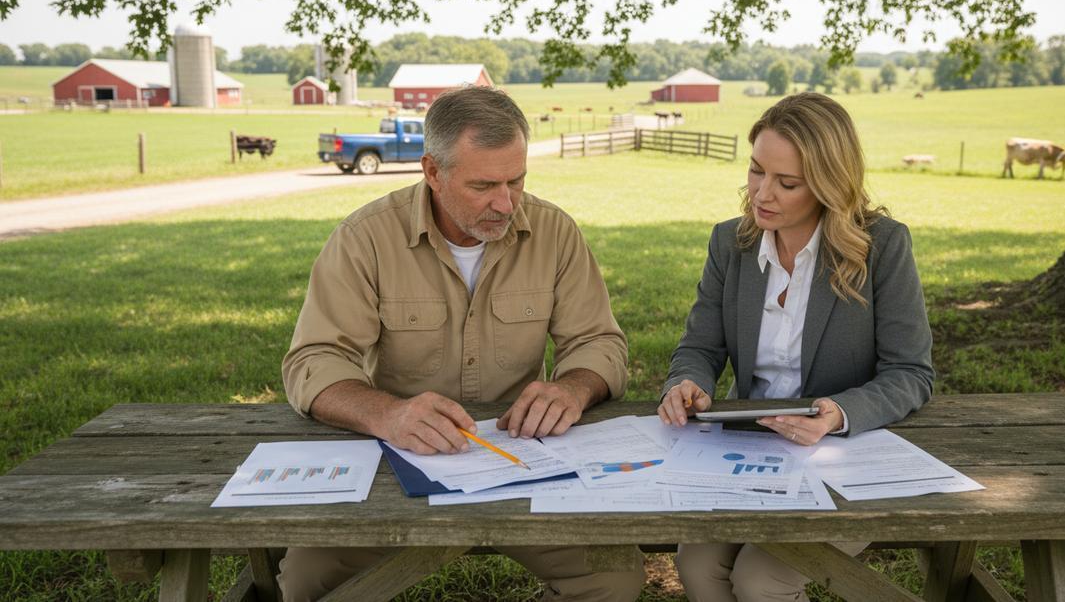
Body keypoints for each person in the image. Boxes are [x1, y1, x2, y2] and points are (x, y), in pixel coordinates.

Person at [279, 85, 644, 602]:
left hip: (523, 464)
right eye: (484, 185)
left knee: (614, 578)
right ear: (432, 171)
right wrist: (388, 415)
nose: (506, 202)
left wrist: (573, 390)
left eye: (517, 180)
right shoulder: (366, 238)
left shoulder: (554, 232)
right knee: (306, 580)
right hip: (396, 461)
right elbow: (313, 361)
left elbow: (599, 343)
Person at [657, 92, 934, 602]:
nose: (762, 193)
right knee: (696, 564)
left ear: (829, 185)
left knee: (762, 580)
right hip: (747, 448)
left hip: (843, 453)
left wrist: (837, 413)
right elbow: (699, 346)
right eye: (756, 170)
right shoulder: (730, 243)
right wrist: (687, 382)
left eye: (786, 182)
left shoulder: (883, 246)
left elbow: (911, 372)